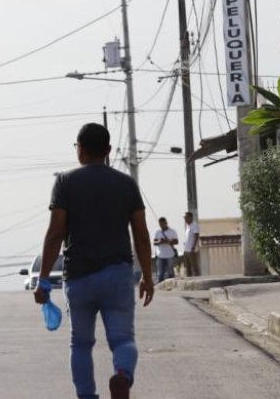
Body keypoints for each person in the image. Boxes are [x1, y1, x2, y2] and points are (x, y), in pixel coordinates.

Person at [34, 123, 154, 399]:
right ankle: (122, 375)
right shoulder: (126, 184)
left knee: (81, 344)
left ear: (81, 150)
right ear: (109, 151)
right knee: (123, 340)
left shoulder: (65, 182)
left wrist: (42, 280)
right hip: (118, 274)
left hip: (78, 276)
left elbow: (55, 235)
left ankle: (87, 396)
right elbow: (142, 235)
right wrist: (147, 276)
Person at [151, 217, 178, 283]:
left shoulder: (172, 231)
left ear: (166, 223)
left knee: (170, 272)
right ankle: (160, 285)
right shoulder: (157, 232)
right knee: (160, 273)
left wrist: (168, 241)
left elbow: (176, 241)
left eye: (163, 224)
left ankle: (172, 285)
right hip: (160, 255)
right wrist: (160, 242)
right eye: (160, 224)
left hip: (169, 255)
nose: (162, 225)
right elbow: (154, 242)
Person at [181, 212, 201, 277]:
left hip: (191, 249)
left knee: (194, 266)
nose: (185, 219)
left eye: (186, 217)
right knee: (187, 267)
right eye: (185, 218)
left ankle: (198, 278)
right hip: (186, 249)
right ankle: (189, 278)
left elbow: (196, 236)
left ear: (190, 217)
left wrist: (193, 246)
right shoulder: (188, 226)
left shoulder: (194, 225)